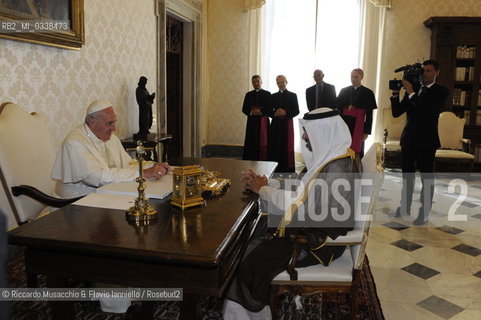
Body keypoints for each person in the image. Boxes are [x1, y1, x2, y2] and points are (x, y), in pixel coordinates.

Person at [223, 107, 360, 319]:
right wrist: (269, 184)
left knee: (248, 256)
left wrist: (264, 190)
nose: (304, 136)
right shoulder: (336, 157)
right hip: (311, 229)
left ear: (324, 131)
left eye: (309, 131)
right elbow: (303, 189)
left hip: (317, 243)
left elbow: (301, 207)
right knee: (249, 234)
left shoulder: (338, 170)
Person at [52, 99, 170, 198]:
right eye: (109, 123)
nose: (114, 128)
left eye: (114, 123)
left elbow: (128, 164)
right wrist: (143, 173)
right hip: (77, 202)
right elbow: (99, 177)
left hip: (107, 194)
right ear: (92, 121)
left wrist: (153, 166)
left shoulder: (111, 138)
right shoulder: (74, 143)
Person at [390, 60, 449, 225]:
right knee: (407, 177)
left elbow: (426, 110)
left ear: (437, 72)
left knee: (426, 179)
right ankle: (404, 208)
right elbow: (396, 113)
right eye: (423, 71)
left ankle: (424, 213)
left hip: (427, 142)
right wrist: (396, 94)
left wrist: (411, 94)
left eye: (429, 71)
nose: (425, 74)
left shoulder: (441, 92)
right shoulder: (414, 90)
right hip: (408, 140)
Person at [336, 68, 377, 155]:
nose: (353, 79)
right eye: (352, 77)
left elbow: (369, 115)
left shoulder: (368, 93)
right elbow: (338, 110)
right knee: (342, 151)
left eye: (356, 77)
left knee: (357, 152)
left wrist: (366, 132)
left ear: (361, 77)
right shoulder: (344, 91)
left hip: (358, 125)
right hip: (344, 125)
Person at [267, 75, 300, 173]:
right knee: (275, 145)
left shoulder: (293, 95)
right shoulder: (273, 96)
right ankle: (274, 168)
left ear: (286, 82)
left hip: (287, 124)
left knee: (286, 146)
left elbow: (296, 111)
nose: (280, 84)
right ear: (276, 83)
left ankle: (286, 168)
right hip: (276, 125)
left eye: (282, 82)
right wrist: (274, 113)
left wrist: (285, 112)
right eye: (278, 82)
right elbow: (268, 110)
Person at [242, 75, 272, 161]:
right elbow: (244, 108)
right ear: (252, 83)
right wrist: (251, 112)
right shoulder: (248, 95)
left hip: (263, 122)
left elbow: (270, 108)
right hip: (252, 122)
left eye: (257, 81)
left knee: (264, 142)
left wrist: (260, 112)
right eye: (254, 82)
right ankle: (250, 159)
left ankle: (264, 160)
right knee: (251, 142)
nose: (255, 83)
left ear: (261, 82)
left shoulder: (267, 94)